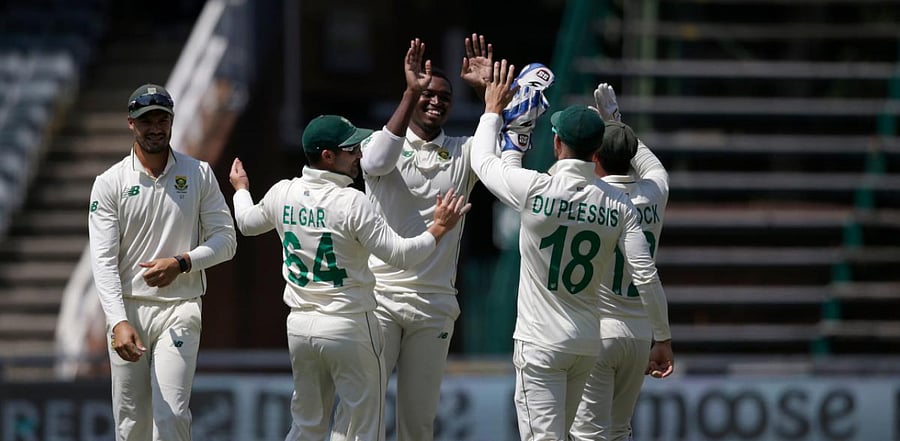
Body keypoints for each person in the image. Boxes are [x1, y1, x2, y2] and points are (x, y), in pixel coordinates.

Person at [228, 114, 471, 441]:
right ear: (328, 156)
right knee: (359, 429)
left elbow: (245, 222)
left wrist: (241, 189)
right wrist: (438, 228)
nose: (359, 155)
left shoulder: (283, 192)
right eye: (351, 149)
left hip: (300, 326)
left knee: (305, 426)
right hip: (349, 324)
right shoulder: (352, 201)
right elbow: (402, 255)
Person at [469, 61, 672, 440]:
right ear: (595, 150)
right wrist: (662, 336)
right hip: (585, 341)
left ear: (558, 143)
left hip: (541, 341)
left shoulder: (536, 189)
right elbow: (645, 273)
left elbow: (483, 162)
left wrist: (495, 114)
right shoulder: (619, 204)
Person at [345, 35, 494, 440]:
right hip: (380, 298)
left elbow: (499, 145)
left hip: (434, 305)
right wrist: (411, 91)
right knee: (365, 415)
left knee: (419, 422)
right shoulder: (380, 144)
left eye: (444, 96)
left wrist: (485, 94)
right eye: (427, 93)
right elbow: (374, 162)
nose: (436, 101)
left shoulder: (464, 153)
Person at [88, 83, 237, 441]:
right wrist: (118, 322)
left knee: (170, 417)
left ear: (172, 120)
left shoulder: (198, 173)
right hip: (130, 314)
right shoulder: (110, 183)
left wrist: (182, 262)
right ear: (130, 124)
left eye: (162, 119)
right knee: (131, 425)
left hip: (180, 309)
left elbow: (226, 241)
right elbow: (104, 261)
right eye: (146, 121)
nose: (155, 127)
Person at [570, 83, 675, 441]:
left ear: (595, 156)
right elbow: (646, 160)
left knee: (587, 434)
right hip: (639, 332)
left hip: (597, 328)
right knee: (619, 432)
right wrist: (615, 120)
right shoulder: (657, 190)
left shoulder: (589, 198)